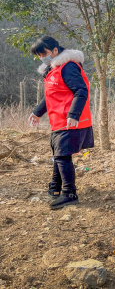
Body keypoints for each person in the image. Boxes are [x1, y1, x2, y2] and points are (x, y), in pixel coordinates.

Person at [28, 36, 94, 209]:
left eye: (44, 53)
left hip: (70, 120)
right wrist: (37, 112)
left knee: (62, 156)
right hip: (58, 120)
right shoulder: (52, 69)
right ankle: (56, 188)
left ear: (55, 51)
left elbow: (81, 90)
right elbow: (51, 96)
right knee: (59, 154)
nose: (42, 57)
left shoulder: (68, 66)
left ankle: (69, 193)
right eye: (39, 55)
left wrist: (74, 114)